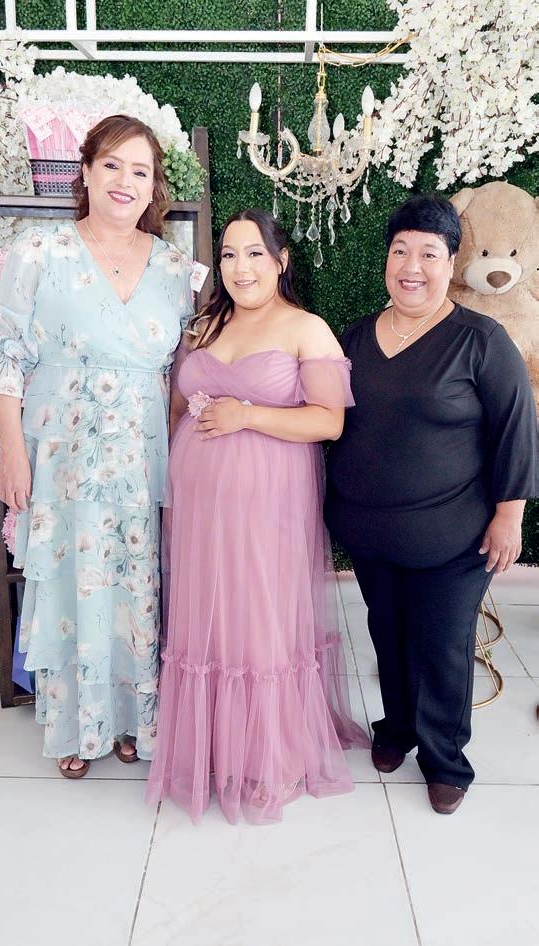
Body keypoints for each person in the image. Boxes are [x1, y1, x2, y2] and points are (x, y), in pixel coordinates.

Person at [0, 114, 193, 777]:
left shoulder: (176, 269)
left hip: (141, 458)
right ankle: (74, 723)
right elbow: (3, 357)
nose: (126, 181)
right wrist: (12, 454)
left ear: (154, 185)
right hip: (61, 456)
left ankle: (130, 719)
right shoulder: (38, 254)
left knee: (135, 585)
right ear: (87, 172)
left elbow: (184, 373)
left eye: (140, 170)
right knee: (71, 585)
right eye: (112, 165)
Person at [146, 208, 369, 824]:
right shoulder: (203, 326)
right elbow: (178, 409)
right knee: (208, 616)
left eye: (253, 254)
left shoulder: (306, 329)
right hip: (199, 505)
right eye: (228, 255)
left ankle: (272, 756)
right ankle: (215, 746)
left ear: (280, 260)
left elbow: (328, 420)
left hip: (269, 502)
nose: (240, 268)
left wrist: (247, 415)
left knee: (258, 614)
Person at [325, 195, 538, 814]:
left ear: (451, 262)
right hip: (370, 533)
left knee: (442, 646)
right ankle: (397, 728)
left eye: (428, 253)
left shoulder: (481, 340)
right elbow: (331, 420)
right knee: (387, 635)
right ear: (386, 261)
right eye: (400, 251)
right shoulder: (357, 336)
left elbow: (516, 428)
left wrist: (509, 516)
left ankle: (446, 760)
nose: (411, 266)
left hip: (454, 538)